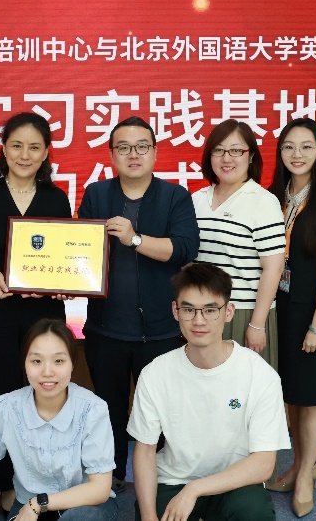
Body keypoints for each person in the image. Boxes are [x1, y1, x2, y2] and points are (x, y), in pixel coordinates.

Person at [0, 112, 72, 504]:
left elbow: (67, 255)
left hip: (44, 314)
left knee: (45, 391)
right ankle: (4, 483)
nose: (25, 155)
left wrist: (61, 283)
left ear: (46, 153)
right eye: (17, 146)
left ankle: (41, 478)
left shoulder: (56, 198)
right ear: (3, 149)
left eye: (34, 147)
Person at [78, 116, 199, 491]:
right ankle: (110, 479)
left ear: (155, 152)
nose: (134, 154)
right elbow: (80, 251)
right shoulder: (97, 194)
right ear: (111, 154)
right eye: (124, 147)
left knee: (160, 414)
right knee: (108, 410)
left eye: (142, 146)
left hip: (160, 330)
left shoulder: (175, 196)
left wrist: (134, 239)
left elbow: (184, 249)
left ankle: (162, 481)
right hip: (106, 328)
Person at [128, 263, 288, 521]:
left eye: (210, 310)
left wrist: (195, 489)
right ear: (175, 311)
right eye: (188, 309)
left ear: (229, 312)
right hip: (173, 480)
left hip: (234, 483)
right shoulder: (155, 373)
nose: (199, 320)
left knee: (254, 512)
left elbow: (263, 463)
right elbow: (145, 451)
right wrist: (148, 517)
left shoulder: (260, 375)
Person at [263, 118, 316, 517]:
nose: (297, 154)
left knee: (312, 398)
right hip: (280, 309)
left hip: (314, 313)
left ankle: (303, 479)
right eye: (289, 147)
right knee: (291, 395)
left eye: (306, 146)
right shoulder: (271, 197)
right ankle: (301, 465)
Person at [0, 319, 117, 521]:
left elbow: (100, 489)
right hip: (27, 504)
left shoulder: (92, 409)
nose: (47, 372)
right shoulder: (5, 407)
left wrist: (39, 503)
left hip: (84, 505)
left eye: (58, 361)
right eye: (36, 361)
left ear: (73, 363)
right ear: (24, 363)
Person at [192, 119, 285, 368]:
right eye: (218, 150)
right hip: (202, 313)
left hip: (244, 313)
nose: (226, 158)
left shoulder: (263, 201)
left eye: (236, 150)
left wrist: (257, 324)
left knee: (245, 387)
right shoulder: (197, 200)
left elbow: (274, 267)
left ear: (251, 156)